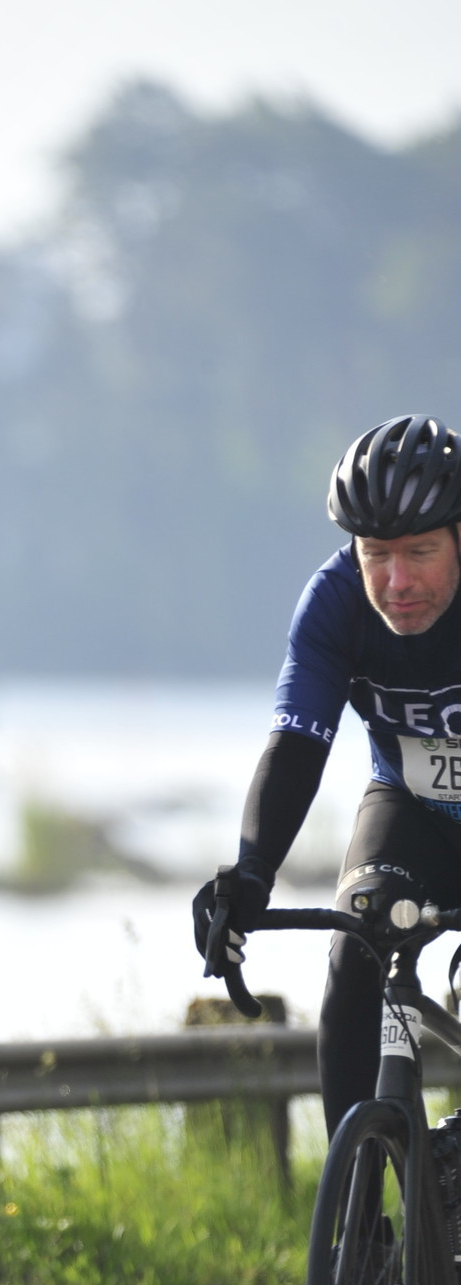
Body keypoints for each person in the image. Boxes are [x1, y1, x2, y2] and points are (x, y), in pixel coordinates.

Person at [194, 413, 461, 1140]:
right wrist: (250, 874)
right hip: (411, 807)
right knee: (356, 947)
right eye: (377, 554)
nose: (397, 582)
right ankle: (358, 1198)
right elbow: (295, 746)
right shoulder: (336, 601)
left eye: (421, 552)